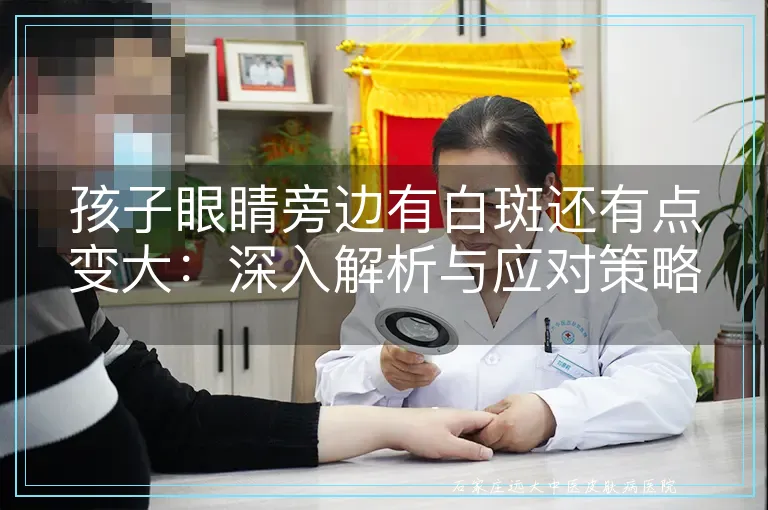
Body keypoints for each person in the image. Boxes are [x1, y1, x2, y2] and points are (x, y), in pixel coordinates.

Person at [0, 2, 496, 509]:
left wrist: (398, 428)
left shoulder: (54, 278)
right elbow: (102, 476)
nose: (152, 158)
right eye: (130, 117)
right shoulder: (19, 267)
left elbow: (174, 420)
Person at [315, 95, 699, 453]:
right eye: (453, 201)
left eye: (493, 204)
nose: (467, 224)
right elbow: (331, 395)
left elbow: (666, 388)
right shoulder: (396, 279)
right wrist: (381, 372)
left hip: (558, 487)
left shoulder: (603, 280)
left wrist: (553, 414)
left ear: (546, 192)